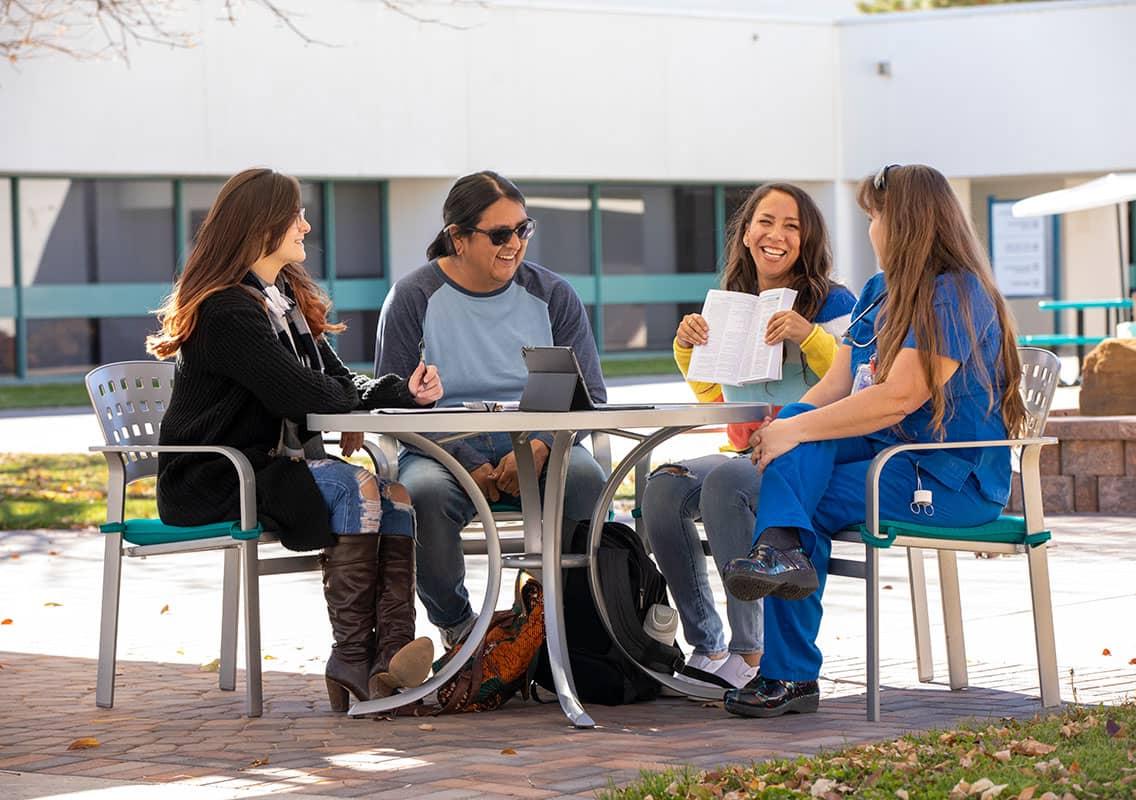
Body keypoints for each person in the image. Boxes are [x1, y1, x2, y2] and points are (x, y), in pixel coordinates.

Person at [720, 164, 1027, 717]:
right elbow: (836, 387)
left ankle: (787, 668)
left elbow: (898, 397)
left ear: (903, 223)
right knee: (797, 432)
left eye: (874, 216)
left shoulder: (957, 294)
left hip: (944, 475)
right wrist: (785, 427)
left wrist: (794, 429)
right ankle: (782, 556)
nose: (870, 229)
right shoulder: (878, 290)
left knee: (798, 471)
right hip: (886, 458)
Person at [147, 168, 443, 712]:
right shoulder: (228, 309)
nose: (306, 225)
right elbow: (298, 393)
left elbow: (334, 379)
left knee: (397, 495)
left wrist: (400, 390)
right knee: (359, 486)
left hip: (268, 467)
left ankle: (390, 655)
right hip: (217, 476)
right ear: (261, 226)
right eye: (296, 215)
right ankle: (352, 657)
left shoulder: (281, 298)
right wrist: (348, 400)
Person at [375, 170, 608, 649]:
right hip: (441, 444)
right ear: (458, 238)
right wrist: (467, 462)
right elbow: (391, 404)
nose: (515, 244)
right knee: (422, 493)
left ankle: (552, 619)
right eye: (500, 234)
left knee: (585, 478)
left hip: (539, 437)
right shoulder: (413, 297)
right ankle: (462, 632)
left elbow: (592, 399)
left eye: (523, 230)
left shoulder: (553, 294)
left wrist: (544, 445)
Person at [642, 183, 856, 690]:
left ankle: (751, 651)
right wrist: (687, 345)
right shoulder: (730, 305)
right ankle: (708, 644)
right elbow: (715, 398)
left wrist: (809, 336)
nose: (775, 235)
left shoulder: (836, 301)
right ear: (745, 233)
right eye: (765, 221)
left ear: (809, 239)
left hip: (804, 461)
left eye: (791, 225)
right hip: (746, 449)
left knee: (727, 484)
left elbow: (852, 384)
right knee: (664, 485)